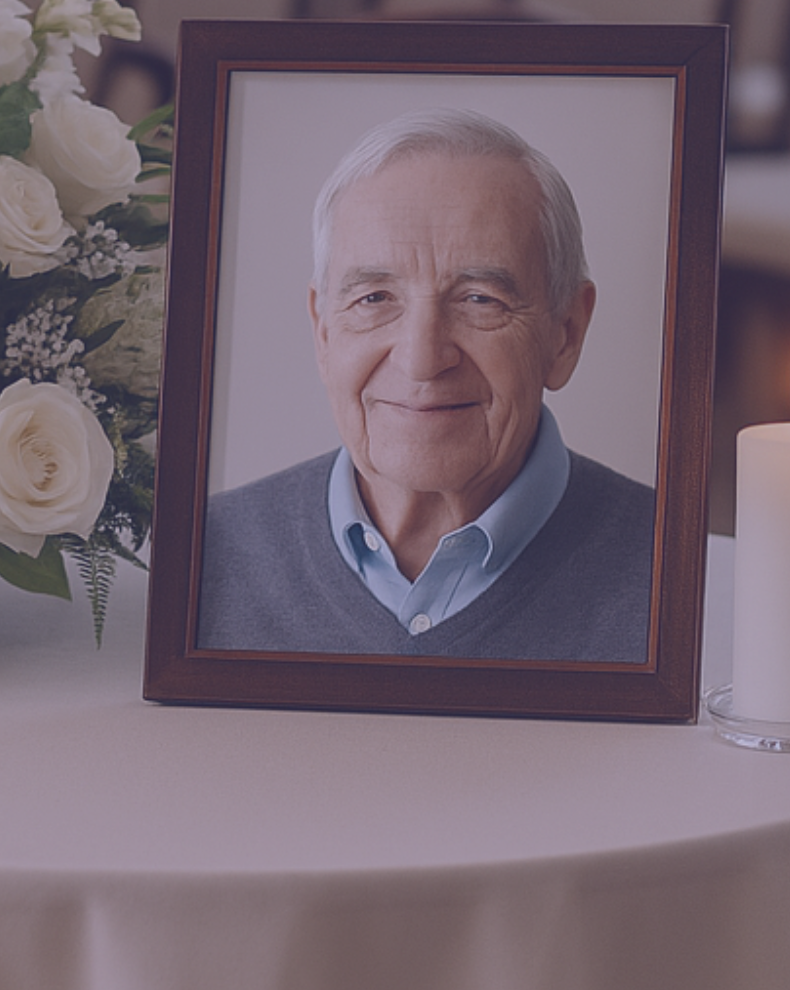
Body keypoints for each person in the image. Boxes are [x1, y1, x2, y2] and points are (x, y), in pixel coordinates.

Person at [196, 108, 656, 661]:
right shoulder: (200, 556)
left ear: (566, 333)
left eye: (480, 300)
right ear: (322, 331)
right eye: (374, 299)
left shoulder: (679, 574)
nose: (421, 360)